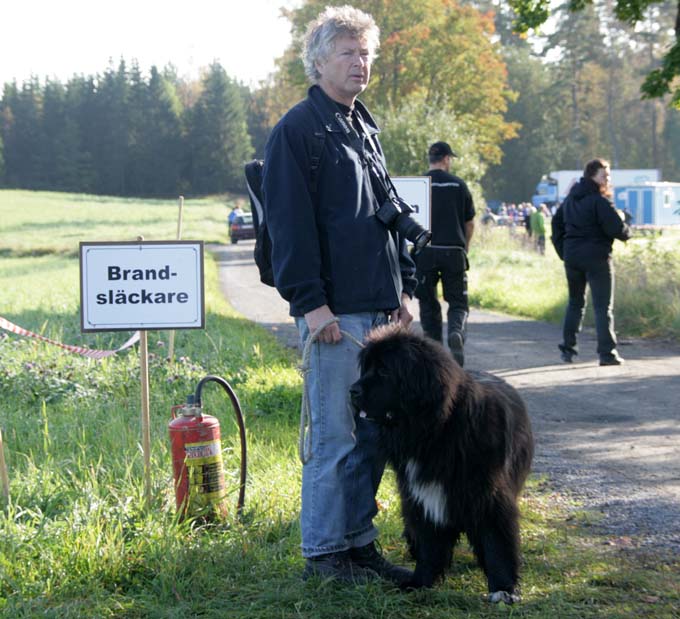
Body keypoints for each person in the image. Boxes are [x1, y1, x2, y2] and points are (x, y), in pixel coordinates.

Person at [261, 5, 416, 584]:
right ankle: (325, 554)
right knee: (333, 436)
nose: (361, 62)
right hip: (333, 311)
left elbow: (387, 213)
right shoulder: (298, 130)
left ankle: (359, 545)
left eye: (367, 52)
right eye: (349, 52)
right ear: (319, 60)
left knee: (372, 432)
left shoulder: (362, 127)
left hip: (378, 307)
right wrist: (310, 302)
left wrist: (403, 288)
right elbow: (288, 226)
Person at [551, 158, 631, 366]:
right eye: (604, 175)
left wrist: (564, 251)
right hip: (597, 258)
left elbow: (556, 225)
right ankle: (607, 354)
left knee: (575, 303)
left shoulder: (569, 201)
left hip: (573, 257)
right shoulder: (599, 201)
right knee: (603, 307)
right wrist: (627, 228)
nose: (608, 179)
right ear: (592, 176)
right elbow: (616, 228)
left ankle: (567, 350)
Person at [413, 141, 474, 365]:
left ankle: (435, 354)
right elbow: (470, 223)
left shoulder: (419, 184)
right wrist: (464, 247)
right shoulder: (458, 185)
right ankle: (456, 331)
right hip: (453, 251)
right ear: (447, 159)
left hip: (425, 253)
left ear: (430, 159)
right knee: (458, 302)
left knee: (428, 303)